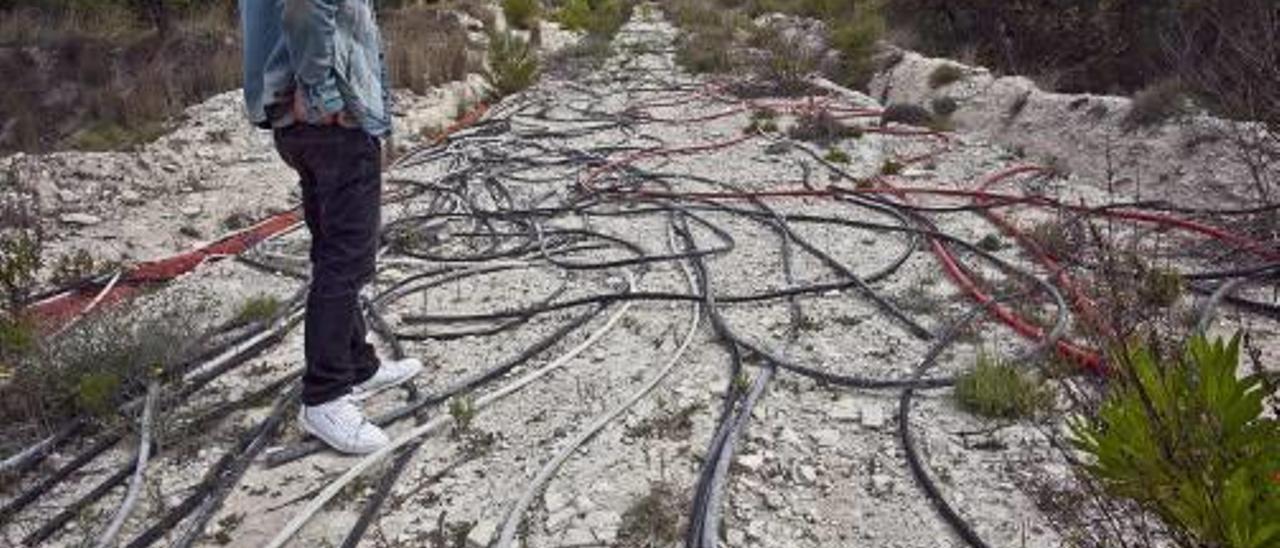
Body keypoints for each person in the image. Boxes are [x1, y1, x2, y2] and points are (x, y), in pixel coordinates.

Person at [240, 0, 422, 454]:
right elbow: (305, 7)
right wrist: (322, 92)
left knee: (333, 250)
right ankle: (325, 396)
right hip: (331, 122)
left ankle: (357, 364)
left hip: (298, 121)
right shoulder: (325, 106)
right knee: (346, 259)